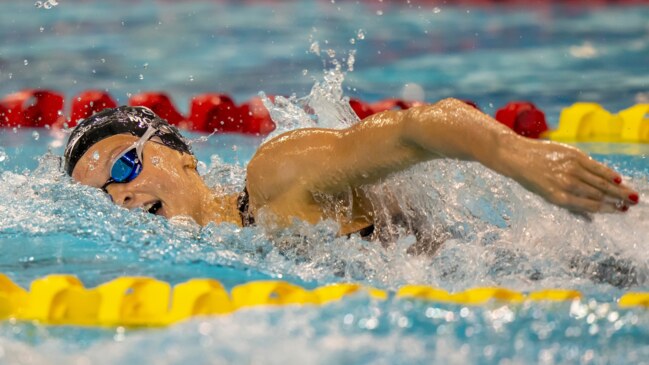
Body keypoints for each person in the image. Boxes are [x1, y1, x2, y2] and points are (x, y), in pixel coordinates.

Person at [64, 99, 640, 243]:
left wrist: (518, 155)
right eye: (103, 197)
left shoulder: (277, 176)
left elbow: (416, 127)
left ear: (182, 154)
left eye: (126, 163)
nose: (123, 195)